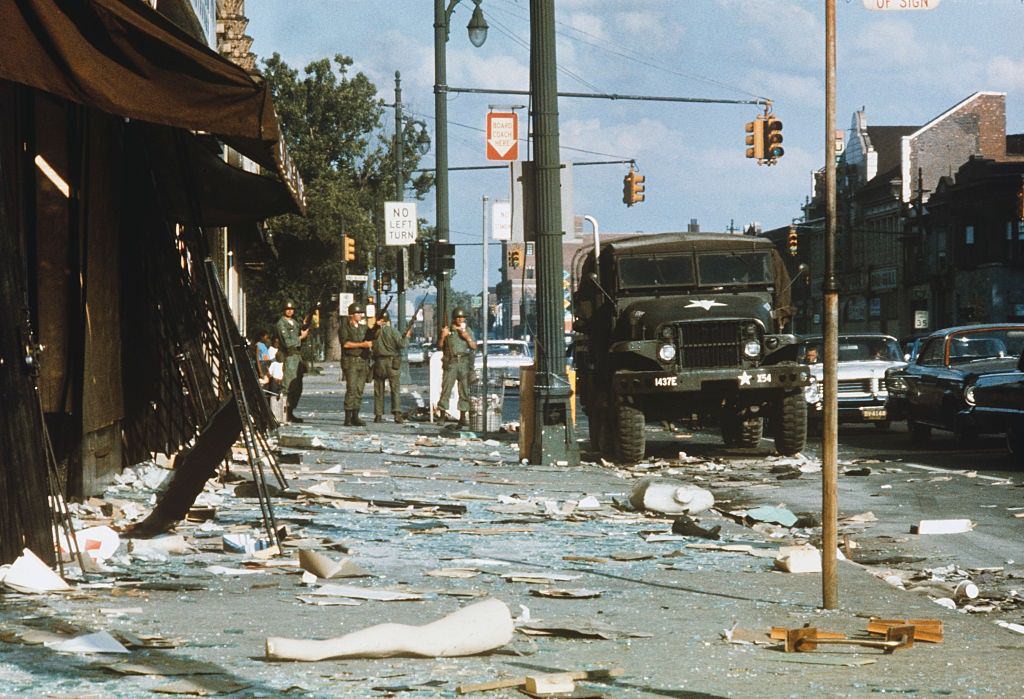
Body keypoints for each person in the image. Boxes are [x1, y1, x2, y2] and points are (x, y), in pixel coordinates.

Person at [437, 307, 477, 427]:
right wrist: (443, 336)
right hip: (451, 362)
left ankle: (462, 417)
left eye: (462, 317)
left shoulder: (467, 330)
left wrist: (466, 336)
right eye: (458, 317)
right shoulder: (448, 330)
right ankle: (442, 415)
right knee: (446, 389)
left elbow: (474, 346)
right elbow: (439, 346)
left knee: (464, 390)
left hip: (464, 362)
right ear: (454, 318)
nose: (460, 319)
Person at [371, 311, 413, 423]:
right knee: (395, 389)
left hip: (379, 362)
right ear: (388, 320)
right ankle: (397, 414)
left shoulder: (374, 332)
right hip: (392, 362)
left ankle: (378, 414)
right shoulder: (393, 331)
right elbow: (402, 344)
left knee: (378, 389)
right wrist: (407, 337)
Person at [275, 300, 309, 423]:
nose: (290, 311)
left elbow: (301, 338)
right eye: (287, 309)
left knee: (297, 387)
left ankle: (290, 411)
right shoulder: (281, 324)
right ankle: (283, 413)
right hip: (289, 357)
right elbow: (288, 342)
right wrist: (301, 337)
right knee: (287, 386)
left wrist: (305, 328)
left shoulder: (294, 323)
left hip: (297, 357)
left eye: (292, 309)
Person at [340, 302, 372, 426]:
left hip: (362, 361)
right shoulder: (345, 327)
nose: (360, 315)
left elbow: (372, 336)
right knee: (352, 389)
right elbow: (345, 344)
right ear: (351, 315)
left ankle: (355, 415)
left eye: (360, 313)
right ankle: (347, 417)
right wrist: (362, 345)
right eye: (357, 313)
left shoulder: (363, 328)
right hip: (351, 361)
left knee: (360, 390)